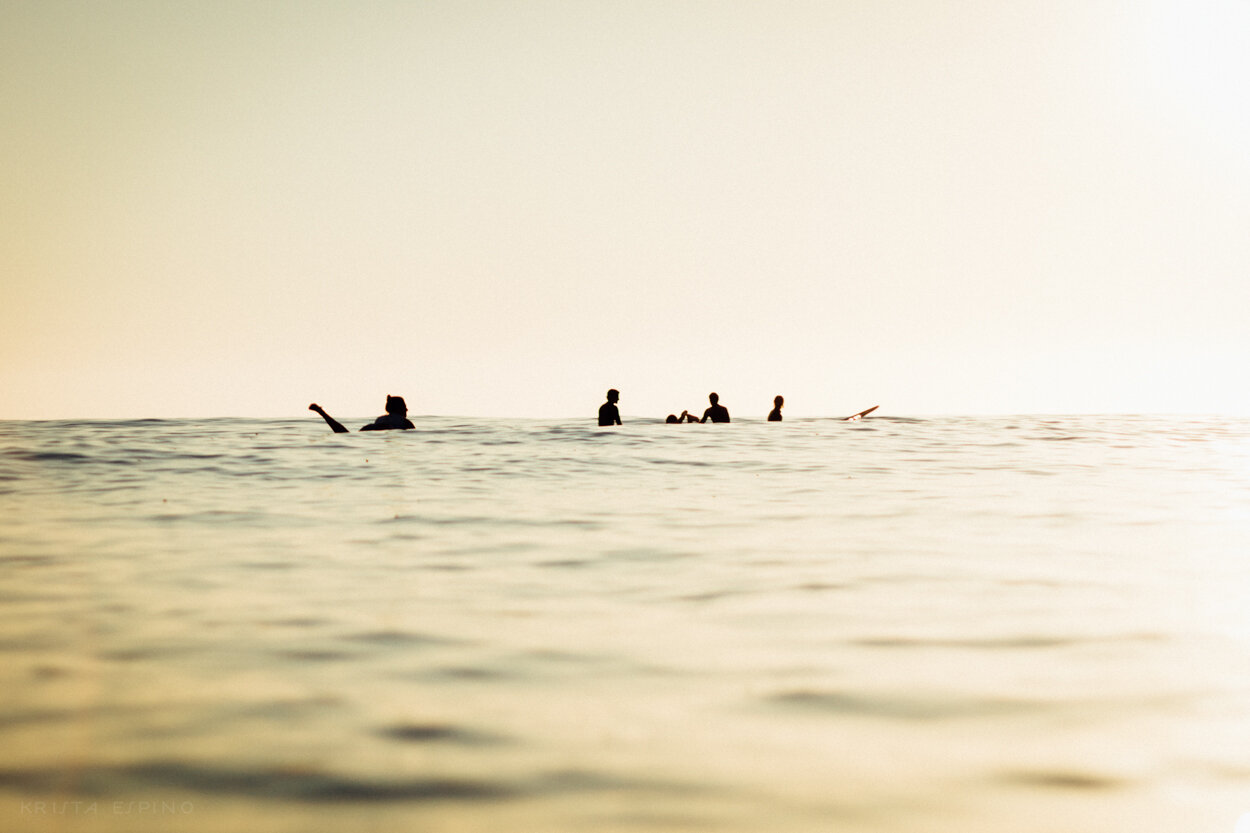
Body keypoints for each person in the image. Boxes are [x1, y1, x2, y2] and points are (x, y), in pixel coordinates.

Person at [309, 396, 415, 433]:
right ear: (400, 408)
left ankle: (323, 413)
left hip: (370, 428)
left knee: (345, 434)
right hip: (382, 428)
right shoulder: (406, 422)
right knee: (345, 434)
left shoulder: (381, 419)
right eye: (404, 406)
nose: (407, 409)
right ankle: (322, 413)